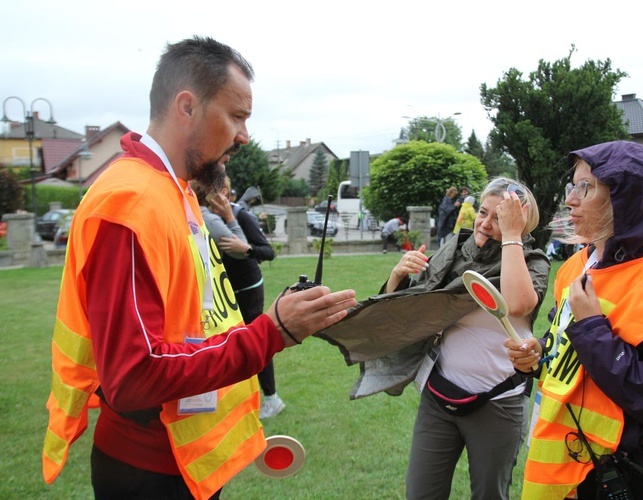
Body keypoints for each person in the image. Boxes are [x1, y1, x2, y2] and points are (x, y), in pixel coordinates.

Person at [42, 36, 356, 500]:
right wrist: (273, 332)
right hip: (147, 472)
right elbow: (132, 378)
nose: (245, 136)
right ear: (186, 106)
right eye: (236, 116)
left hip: (182, 461)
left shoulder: (177, 190)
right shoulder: (132, 203)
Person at [505, 141, 643, 499]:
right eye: (573, 187)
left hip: (616, 478)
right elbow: (568, 355)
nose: (570, 200)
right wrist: (538, 356)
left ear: (624, 199)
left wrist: (594, 328)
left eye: (587, 187)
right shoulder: (576, 265)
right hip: (558, 476)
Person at [383, 177, 550, 499]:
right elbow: (407, 310)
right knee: (420, 493)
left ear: (519, 221)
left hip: (497, 402)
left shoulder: (532, 261)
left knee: (489, 493)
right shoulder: (454, 248)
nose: (485, 224)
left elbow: (518, 304)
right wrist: (397, 275)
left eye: (498, 218)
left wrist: (512, 235)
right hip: (438, 397)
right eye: (483, 213)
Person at [219, 177, 286, 419]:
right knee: (230, 342)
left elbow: (268, 252)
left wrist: (244, 248)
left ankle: (272, 398)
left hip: (248, 287)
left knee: (254, 340)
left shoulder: (242, 216)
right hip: (224, 288)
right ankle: (238, 399)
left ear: (224, 192)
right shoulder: (201, 215)